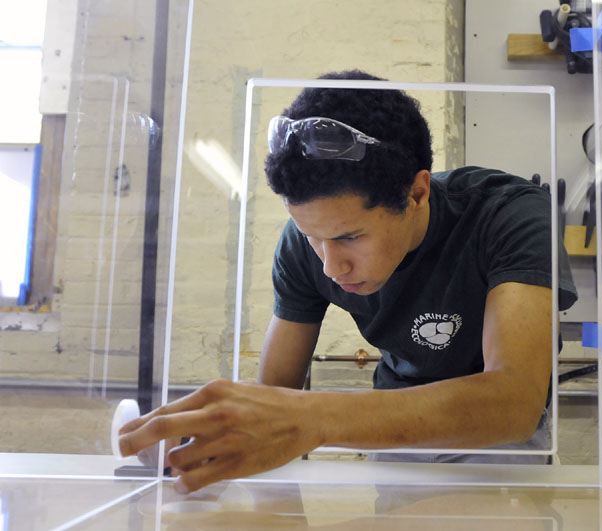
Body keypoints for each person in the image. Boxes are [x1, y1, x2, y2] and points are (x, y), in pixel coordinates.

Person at [119, 69, 577, 494]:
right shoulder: (306, 246)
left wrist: (314, 419)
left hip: (501, 443)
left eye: (349, 237)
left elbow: (514, 402)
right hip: (388, 436)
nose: (330, 266)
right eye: (312, 237)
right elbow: (277, 395)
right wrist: (210, 434)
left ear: (417, 193)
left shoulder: (510, 215)